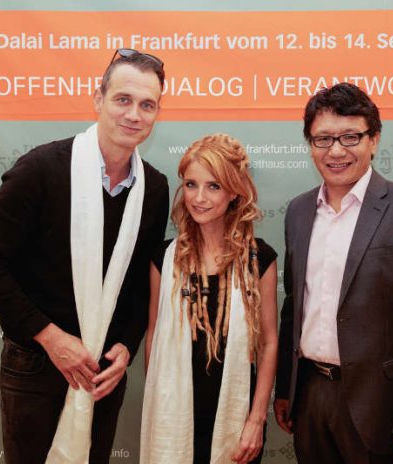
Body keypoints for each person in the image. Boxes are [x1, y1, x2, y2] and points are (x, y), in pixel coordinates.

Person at [0, 49, 169, 464]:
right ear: (98, 99)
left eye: (147, 105)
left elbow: (137, 283)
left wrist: (127, 347)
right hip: (37, 364)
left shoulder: (155, 188)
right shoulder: (40, 170)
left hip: (102, 373)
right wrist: (52, 338)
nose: (134, 114)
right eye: (123, 99)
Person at [274, 82, 393, 464]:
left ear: (374, 139)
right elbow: (294, 306)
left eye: (350, 136)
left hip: (380, 407)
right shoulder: (299, 211)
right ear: (309, 145)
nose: (336, 151)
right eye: (323, 139)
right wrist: (285, 390)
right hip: (310, 398)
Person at [140, 134, 278, 464]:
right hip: (174, 415)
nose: (199, 198)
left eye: (213, 186)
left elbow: (269, 342)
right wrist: (159, 401)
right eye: (191, 184)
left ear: (234, 192)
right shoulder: (164, 258)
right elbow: (153, 335)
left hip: (235, 412)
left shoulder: (260, 259)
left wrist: (257, 419)